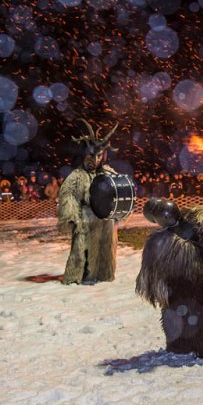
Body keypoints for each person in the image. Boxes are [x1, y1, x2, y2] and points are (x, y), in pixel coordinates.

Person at [57, 119, 120, 285]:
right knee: (82, 250)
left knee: (105, 249)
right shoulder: (77, 175)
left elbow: (119, 190)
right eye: (92, 155)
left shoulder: (108, 173)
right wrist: (71, 215)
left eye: (99, 156)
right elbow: (67, 195)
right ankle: (79, 277)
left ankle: (103, 275)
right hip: (85, 218)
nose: (96, 159)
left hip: (105, 220)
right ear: (85, 155)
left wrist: (118, 211)